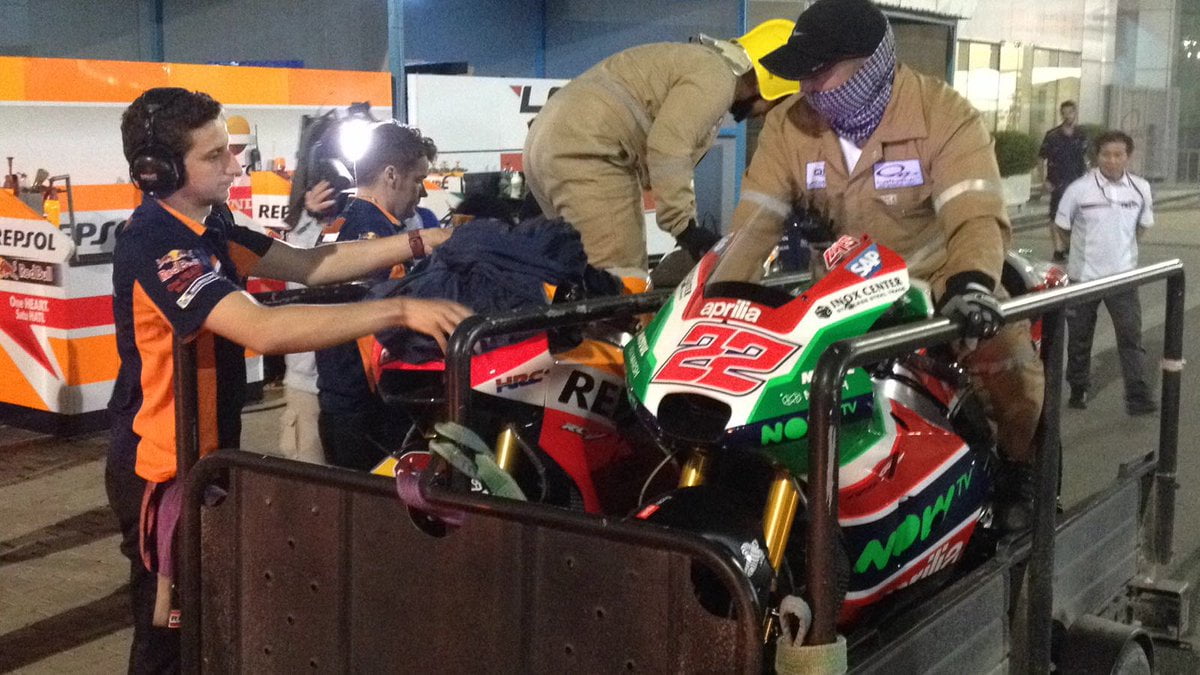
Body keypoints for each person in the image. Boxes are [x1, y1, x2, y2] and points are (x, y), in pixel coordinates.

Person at [105, 87, 469, 672]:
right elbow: (262, 329)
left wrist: (425, 240)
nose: (235, 166)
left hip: (203, 455)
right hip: (160, 468)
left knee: (205, 629)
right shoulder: (157, 243)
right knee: (167, 643)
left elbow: (306, 265)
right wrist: (400, 310)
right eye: (215, 155)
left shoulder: (209, 226)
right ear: (158, 171)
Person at [727, 0, 1045, 530]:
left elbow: (975, 213)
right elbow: (753, 225)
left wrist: (969, 286)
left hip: (938, 285)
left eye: (819, 72)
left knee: (1007, 356)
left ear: (870, 64)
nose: (807, 87)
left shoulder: (943, 114)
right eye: (801, 74)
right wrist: (721, 292)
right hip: (840, 293)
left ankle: (1021, 467)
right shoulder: (788, 127)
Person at [523, 19, 801, 275]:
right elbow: (669, 149)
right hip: (588, 150)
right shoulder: (717, 77)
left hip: (548, 141)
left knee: (575, 271)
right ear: (769, 82)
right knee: (620, 280)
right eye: (778, 103)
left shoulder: (699, 63)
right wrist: (686, 229)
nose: (766, 116)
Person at [314, 122, 443, 469]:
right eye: (418, 180)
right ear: (391, 175)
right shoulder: (376, 238)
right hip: (371, 413)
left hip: (339, 402)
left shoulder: (340, 223)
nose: (422, 193)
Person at [1055, 130, 1157, 415]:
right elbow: (1062, 226)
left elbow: (1143, 226)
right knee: (1079, 339)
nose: (1112, 160)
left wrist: (1124, 251)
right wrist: (1078, 253)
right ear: (1097, 156)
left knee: (1130, 337)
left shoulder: (1141, 188)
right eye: (1106, 155)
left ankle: (1136, 394)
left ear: (1128, 157)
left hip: (1123, 279)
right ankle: (1078, 387)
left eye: (1118, 155)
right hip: (1083, 279)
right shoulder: (1078, 189)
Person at [1040, 101, 1089, 261]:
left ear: (1075, 113)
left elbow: (1085, 157)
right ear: (1061, 114)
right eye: (1064, 113)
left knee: (1076, 215)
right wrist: (1044, 180)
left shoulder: (1081, 135)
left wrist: (1089, 178)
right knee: (1055, 215)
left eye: (1070, 112)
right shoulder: (1052, 136)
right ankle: (1058, 249)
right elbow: (1041, 158)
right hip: (1057, 181)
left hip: (1077, 180)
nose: (1068, 116)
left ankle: (1070, 246)